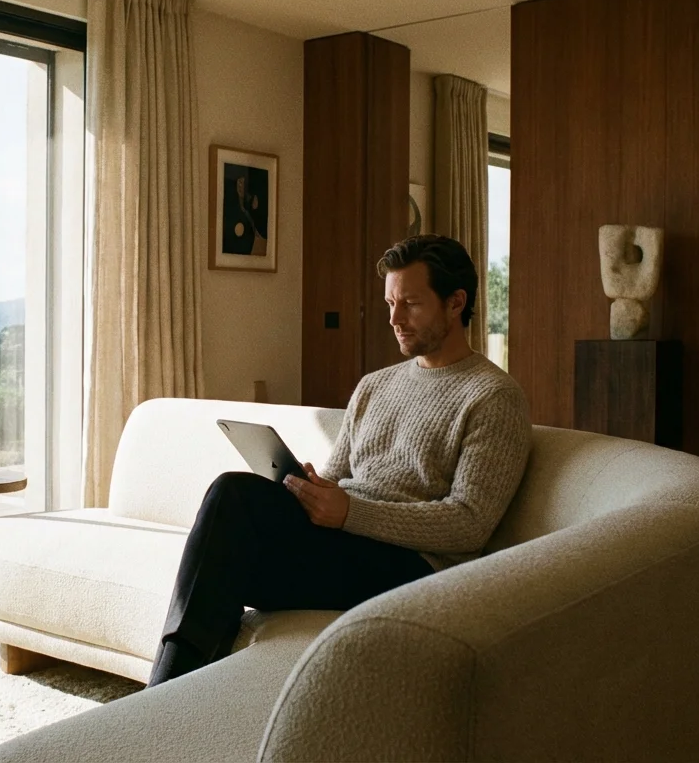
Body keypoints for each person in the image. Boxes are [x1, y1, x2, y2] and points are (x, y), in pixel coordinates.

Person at [147, 234, 532, 687]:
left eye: (410, 304)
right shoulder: (375, 386)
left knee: (231, 507)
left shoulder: (494, 397)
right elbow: (336, 477)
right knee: (226, 532)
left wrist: (350, 512)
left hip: (413, 567)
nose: (394, 319)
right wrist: (311, 487)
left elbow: (469, 524)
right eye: (389, 303)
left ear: (455, 303)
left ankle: (164, 692)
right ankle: (185, 693)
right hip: (346, 542)